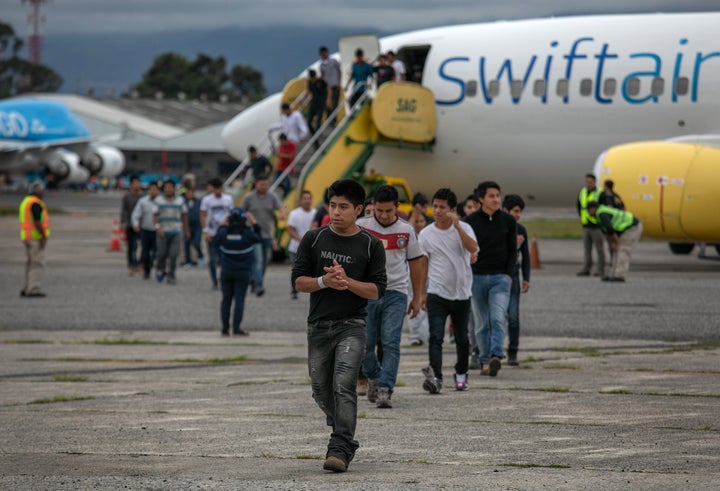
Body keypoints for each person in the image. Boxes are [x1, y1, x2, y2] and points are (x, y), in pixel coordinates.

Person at [291, 179, 387, 473]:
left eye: (343, 207)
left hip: (352, 325)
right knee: (320, 389)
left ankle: (341, 447)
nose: (336, 212)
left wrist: (347, 282)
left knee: (344, 385)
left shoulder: (371, 245)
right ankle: (342, 424)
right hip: (318, 326)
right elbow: (298, 282)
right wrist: (324, 281)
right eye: (332, 205)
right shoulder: (313, 239)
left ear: (358, 209)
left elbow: (376, 290)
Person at [357, 185, 426, 408]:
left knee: (390, 341)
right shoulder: (361, 227)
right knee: (365, 344)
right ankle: (374, 377)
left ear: (397, 207)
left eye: (388, 211)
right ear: (373, 207)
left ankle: (385, 389)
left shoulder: (406, 230)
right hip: (367, 292)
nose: (384, 215)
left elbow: (416, 264)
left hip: (396, 292)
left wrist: (417, 297)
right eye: (379, 210)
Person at [418, 188, 477, 393]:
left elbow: (473, 248)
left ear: (452, 210)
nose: (437, 211)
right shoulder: (426, 234)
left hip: (461, 293)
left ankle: (461, 374)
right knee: (436, 337)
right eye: (435, 206)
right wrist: (422, 293)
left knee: (462, 338)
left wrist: (458, 226)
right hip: (437, 292)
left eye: (442, 207)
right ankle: (436, 377)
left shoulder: (465, 228)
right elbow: (423, 264)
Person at [465, 181, 517, 377]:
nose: (496, 199)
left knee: (497, 317)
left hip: (499, 279)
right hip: (476, 278)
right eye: (491, 196)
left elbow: (513, 251)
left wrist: (508, 274)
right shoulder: (470, 222)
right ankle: (484, 361)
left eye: (498, 195)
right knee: (481, 324)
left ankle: (496, 355)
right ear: (481, 199)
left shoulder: (508, 221)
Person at [216, 207, 262, 336]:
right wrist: (254, 222)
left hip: (226, 271)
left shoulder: (224, 233)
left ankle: (225, 329)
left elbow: (216, 239)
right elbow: (259, 237)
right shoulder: (247, 233)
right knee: (239, 300)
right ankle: (236, 329)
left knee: (226, 300)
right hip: (243, 272)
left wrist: (223, 225)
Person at [241, 174, 285, 297]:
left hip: (267, 234)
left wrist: (282, 213)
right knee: (258, 261)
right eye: (262, 184)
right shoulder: (249, 197)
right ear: (256, 184)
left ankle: (254, 279)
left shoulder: (272, 197)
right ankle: (259, 286)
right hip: (253, 234)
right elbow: (241, 212)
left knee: (265, 261)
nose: (264, 187)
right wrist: (246, 220)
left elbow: (281, 208)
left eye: (266, 184)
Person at [502, 194, 530, 366]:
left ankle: (513, 351)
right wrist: (513, 242)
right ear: (506, 210)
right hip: (498, 275)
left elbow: (525, 256)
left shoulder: (521, 230)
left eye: (520, 212)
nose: (518, 215)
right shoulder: (498, 227)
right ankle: (492, 351)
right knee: (496, 316)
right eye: (515, 211)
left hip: (513, 275)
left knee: (513, 316)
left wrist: (526, 277)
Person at [587, 201, 643, 282]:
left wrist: (615, 242)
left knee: (623, 250)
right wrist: (613, 242)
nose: (588, 212)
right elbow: (606, 232)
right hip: (624, 229)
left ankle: (619, 274)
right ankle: (612, 273)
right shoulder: (600, 214)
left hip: (632, 227)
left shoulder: (602, 214)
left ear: (593, 209)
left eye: (589, 210)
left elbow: (609, 229)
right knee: (616, 250)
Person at [200, 177, 234, 290]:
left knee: (224, 257)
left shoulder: (228, 199)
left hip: (225, 232)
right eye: (215, 189)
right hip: (212, 232)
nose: (218, 191)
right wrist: (205, 231)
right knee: (212, 259)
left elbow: (231, 214)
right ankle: (214, 281)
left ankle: (224, 278)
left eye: (219, 189)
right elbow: (202, 215)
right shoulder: (207, 200)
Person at [153, 180, 189, 285]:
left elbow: (184, 215)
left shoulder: (180, 200)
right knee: (161, 253)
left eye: (170, 187)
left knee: (174, 255)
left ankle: (171, 275)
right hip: (162, 232)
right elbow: (154, 215)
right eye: (166, 187)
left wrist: (186, 230)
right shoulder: (159, 200)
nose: (168, 189)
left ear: (174, 188)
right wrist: (157, 228)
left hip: (176, 231)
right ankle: (160, 269)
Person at [19, 181, 50, 297]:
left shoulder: (26, 201)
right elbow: (37, 221)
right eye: (42, 191)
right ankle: (33, 289)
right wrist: (43, 236)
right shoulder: (35, 203)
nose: (43, 193)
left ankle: (27, 287)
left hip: (26, 236)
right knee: (37, 263)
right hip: (35, 237)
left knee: (30, 263)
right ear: (38, 192)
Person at [287, 189, 316, 300]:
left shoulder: (315, 213)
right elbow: (290, 230)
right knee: (296, 270)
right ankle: (294, 290)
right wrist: (302, 240)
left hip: (311, 248)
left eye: (309, 198)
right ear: (300, 201)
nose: (307, 201)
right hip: (295, 248)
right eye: (304, 198)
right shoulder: (294, 213)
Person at [577, 173, 605, 277]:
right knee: (587, 249)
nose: (588, 184)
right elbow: (579, 205)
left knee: (599, 249)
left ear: (594, 182)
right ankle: (586, 268)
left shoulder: (600, 193)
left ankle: (601, 269)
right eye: (587, 182)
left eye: (590, 182)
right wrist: (581, 216)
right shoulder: (583, 192)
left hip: (596, 226)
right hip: (586, 225)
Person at [132, 181, 161, 280]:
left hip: (157, 231)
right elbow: (136, 214)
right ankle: (146, 271)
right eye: (151, 189)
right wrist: (135, 224)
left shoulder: (161, 201)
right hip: (145, 230)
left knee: (155, 252)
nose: (153, 191)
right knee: (145, 252)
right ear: (148, 190)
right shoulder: (143, 201)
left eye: (155, 189)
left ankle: (153, 266)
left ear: (158, 191)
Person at [120, 174, 143, 276]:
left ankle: (140, 265)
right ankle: (131, 266)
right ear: (131, 185)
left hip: (142, 225)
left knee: (142, 247)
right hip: (130, 225)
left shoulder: (143, 197)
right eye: (134, 183)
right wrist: (123, 222)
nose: (136, 185)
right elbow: (124, 210)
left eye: (138, 183)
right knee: (131, 247)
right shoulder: (127, 197)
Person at [319, 46, 341, 125]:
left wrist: (339, 82)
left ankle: (333, 120)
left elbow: (339, 71)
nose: (323, 55)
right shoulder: (322, 65)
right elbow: (322, 75)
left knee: (334, 103)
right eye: (321, 54)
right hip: (327, 87)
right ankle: (329, 120)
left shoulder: (334, 61)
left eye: (324, 53)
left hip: (334, 85)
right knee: (327, 104)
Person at [182, 187, 204, 267]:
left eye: (191, 193)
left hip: (197, 225)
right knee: (187, 243)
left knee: (196, 242)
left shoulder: (199, 201)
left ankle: (200, 255)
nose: (190, 194)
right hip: (187, 225)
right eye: (188, 193)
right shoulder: (183, 202)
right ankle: (188, 261)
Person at [306, 69, 328, 134]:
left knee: (318, 122)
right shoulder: (310, 82)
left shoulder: (321, 82)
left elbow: (328, 89)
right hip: (313, 104)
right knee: (308, 121)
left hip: (321, 104)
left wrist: (327, 100)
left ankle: (318, 135)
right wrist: (304, 99)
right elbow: (309, 91)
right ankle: (314, 134)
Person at [274, 133, 295, 197]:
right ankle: (286, 190)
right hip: (280, 167)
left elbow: (290, 156)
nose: (280, 143)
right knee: (276, 181)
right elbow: (280, 155)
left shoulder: (292, 145)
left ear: (285, 140)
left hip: (288, 167)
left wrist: (280, 155)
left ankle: (287, 194)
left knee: (285, 183)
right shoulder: (280, 146)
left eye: (281, 141)